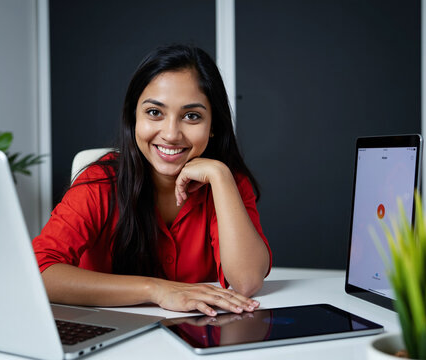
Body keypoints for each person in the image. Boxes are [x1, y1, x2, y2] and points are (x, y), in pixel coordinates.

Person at [33, 44, 272, 317]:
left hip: (196, 334)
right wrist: (156, 290)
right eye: (155, 112)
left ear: (213, 125)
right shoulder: (99, 182)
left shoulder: (227, 183)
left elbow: (246, 282)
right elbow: (38, 271)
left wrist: (220, 176)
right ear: (133, 116)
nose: (171, 134)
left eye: (191, 116)